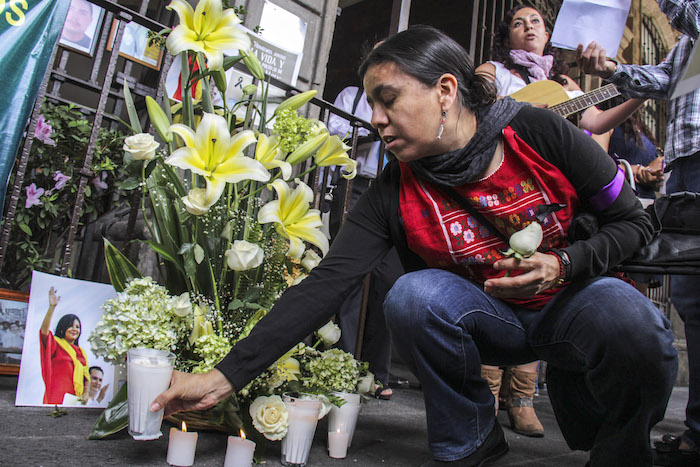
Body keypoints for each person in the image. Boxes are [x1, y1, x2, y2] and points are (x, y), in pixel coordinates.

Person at [153, 26, 677, 466]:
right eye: (372, 104)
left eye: (389, 100)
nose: (376, 118)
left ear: (445, 91)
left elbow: (634, 222)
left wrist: (564, 263)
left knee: (634, 322)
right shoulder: (392, 190)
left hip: (572, 305)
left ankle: (621, 452)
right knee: (412, 295)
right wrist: (224, 376)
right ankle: (469, 443)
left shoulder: (536, 131)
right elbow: (327, 284)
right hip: (489, 321)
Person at [577, 1, 700, 464]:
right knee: (691, 300)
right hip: (684, 163)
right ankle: (696, 435)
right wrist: (613, 68)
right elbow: (667, 80)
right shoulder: (690, 41)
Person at [327, 46, 405, 399]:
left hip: (395, 190)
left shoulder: (405, 98)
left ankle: (376, 374)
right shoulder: (351, 95)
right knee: (349, 279)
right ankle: (341, 366)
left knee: (389, 281)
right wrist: (374, 132)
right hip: (356, 186)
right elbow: (336, 139)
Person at [475, 3, 646, 150]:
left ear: (546, 36)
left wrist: (642, 94)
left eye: (535, 21)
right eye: (518, 24)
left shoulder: (564, 83)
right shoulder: (494, 70)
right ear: (507, 40)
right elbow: (471, 100)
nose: (529, 26)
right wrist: (520, 109)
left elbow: (597, 122)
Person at [39, 287, 90, 405]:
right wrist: (51, 308)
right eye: (70, 326)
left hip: (74, 399)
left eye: (77, 327)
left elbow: (86, 377)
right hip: (56, 396)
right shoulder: (56, 344)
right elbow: (44, 332)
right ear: (63, 328)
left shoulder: (81, 352)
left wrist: (86, 393)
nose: (74, 329)